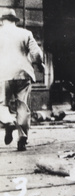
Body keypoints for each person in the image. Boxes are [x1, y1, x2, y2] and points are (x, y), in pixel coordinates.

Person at [0, 9, 45, 151]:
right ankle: (22, 138)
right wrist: (40, 64)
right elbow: (36, 53)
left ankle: (8, 122)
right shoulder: (26, 33)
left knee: (2, 103)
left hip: (3, 74)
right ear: (15, 20)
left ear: (2, 20)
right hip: (23, 73)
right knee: (23, 106)